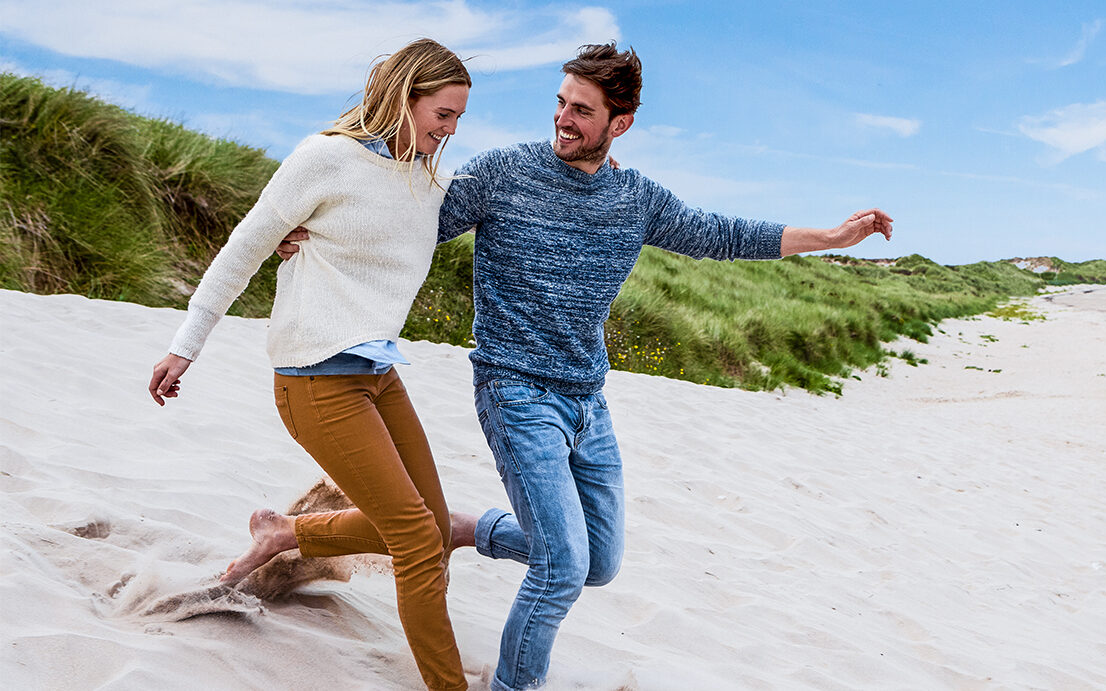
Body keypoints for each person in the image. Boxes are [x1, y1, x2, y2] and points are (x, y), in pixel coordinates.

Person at [279, 41, 892, 691]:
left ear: (619, 123)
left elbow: (722, 234)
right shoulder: (504, 174)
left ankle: (462, 527)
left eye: (582, 110)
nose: (564, 119)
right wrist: (310, 229)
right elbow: (405, 223)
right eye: (561, 104)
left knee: (599, 561)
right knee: (562, 566)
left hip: (587, 402)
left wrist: (831, 238)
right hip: (515, 390)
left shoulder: (636, 199)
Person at [148, 38, 474, 691]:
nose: (451, 130)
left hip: (379, 372)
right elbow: (246, 246)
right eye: (442, 114)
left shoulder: (428, 180)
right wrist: (187, 342)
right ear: (403, 99)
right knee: (414, 539)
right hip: (315, 378)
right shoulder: (325, 159)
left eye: (460, 118)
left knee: (432, 530)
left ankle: (285, 532)